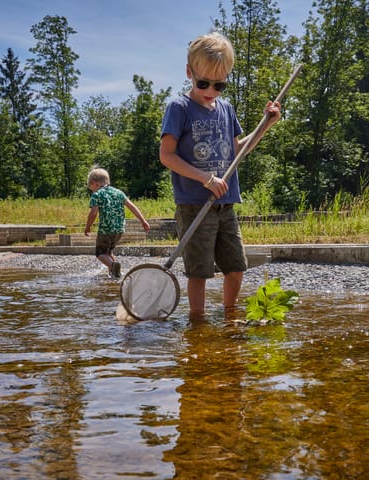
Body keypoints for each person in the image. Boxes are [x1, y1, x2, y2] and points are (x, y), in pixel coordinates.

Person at [159, 31, 281, 316]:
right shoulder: (179, 108)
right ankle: (198, 324)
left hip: (225, 204)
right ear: (189, 72)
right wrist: (205, 179)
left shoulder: (226, 109)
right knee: (199, 272)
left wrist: (267, 125)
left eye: (219, 84)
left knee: (236, 267)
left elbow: (237, 150)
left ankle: (229, 316)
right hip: (194, 204)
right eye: (203, 83)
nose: (211, 90)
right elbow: (166, 155)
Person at [84, 167, 150, 278]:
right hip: (119, 230)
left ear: (94, 183)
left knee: (100, 253)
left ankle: (112, 265)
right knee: (108, 252)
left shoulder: (97, 195)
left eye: (91, 187)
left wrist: (87, 227)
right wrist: (143, 221)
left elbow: (93, 213)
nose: (92, 190)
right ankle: (115, 272)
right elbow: (132, 206)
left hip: (106, 230)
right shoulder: (119, 193)